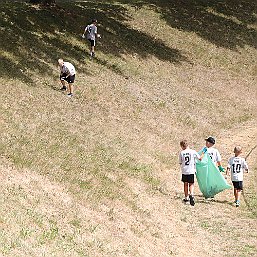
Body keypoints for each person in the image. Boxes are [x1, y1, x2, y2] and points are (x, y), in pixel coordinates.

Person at [179, 140, 204, 206]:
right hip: (191, 170)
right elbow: (200, 158)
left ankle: (186, 197)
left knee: (185, 184)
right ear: (188, 145)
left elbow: (180, 162)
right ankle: (191, 194)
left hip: (184, 171)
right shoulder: (193, 152)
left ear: (182, 146)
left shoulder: (181, 153)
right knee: (191, 184)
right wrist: (203, 154)